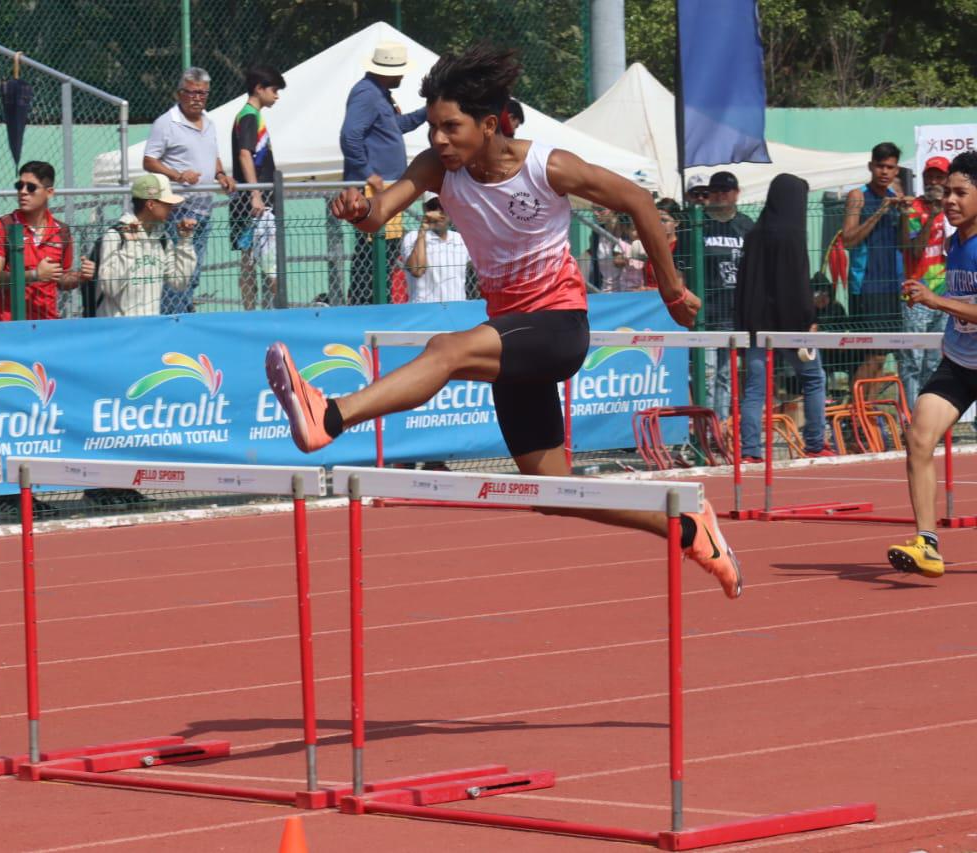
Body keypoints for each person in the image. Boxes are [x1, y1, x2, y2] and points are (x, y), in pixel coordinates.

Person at [265, 45, 741, 600]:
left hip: (558, 328)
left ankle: (331, 415)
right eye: (433, 128)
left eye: (451, 128)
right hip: (512, 336)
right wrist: (357, 209)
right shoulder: (437, 169)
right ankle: (686, 526)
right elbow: (379, 214)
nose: (439, 140)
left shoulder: (547, 167)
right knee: (553, 492)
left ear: (489, 125)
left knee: (445, 350)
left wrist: (671, 288)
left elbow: (636, 199)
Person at [888, 151, 977, 579]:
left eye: (961, 192)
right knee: (919, 437)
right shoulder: (954, 241)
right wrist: (926, 294)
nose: (950, 200)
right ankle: (927, 543)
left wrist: (936, 300)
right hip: (960, 361)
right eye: (947, 193)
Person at [734, 174, 832, 464]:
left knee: (755, 389)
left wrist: (744, 322)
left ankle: (750, 450)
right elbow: (797, 285)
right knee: (813, 379)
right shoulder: (793, 235)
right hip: (791, 325)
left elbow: (745, 283)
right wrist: (807, 318)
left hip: (757, 324)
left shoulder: (754, 234)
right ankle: (815, 443)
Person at [340, 42, 429, 305]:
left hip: (385, 187)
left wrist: (427, 112)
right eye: (399, 70)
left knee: (385, 250)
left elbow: (396, 126)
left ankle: (374, 301)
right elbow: (350, 135)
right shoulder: (367, 94)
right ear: (387, 71)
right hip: (374, 189)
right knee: (373, 250)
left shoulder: (379, 94)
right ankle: (364, 304)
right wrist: (368, 173)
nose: (402, 75)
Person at [142, 67, 235, 313]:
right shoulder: (166, 122)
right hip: (178, 210)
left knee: (193, 274)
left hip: (204, 209)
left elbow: (212, 155)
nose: (197, 98)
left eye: (202, 93)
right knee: (178, 274)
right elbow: (149, 160)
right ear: (179, 94)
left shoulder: (209, 122)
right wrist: (178, 176)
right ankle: (172, 319)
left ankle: (182, 314)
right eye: (192, 93)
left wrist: (221, 175)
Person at [0, 161, 93, 322]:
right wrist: (35, 275)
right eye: (19, 186)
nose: (23, 192)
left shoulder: (61, 231)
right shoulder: (2, 227)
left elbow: (62, 280)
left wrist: (80, 277)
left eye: (31, 187)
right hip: (10, 325)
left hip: (47, 324)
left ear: (49, 192)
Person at [95, 174, 198, 318]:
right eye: (167, 204)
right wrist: (130, 247)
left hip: (150, 325)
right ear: (150, 205)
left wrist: (185, 241)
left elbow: (179, 282)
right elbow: (110, 288)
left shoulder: (162, 238)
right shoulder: (115, 236)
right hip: (118, 326)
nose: (172, 208)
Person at [230, 65, 285, 310]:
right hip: (257, 205)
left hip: (252, 203)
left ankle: (250, 310)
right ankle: (280, 310)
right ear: (259, 88)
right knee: (269, 262)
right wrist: (256, 194)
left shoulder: (250, 115)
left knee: (250, 259)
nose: (277, 96)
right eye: (274, 90)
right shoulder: (249, 116)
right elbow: (245, 154)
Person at [701, 171, 754, 423]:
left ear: (736, 193)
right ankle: (706, 427)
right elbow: (683, 267)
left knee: (726, 375)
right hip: (707, 313)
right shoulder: (699, 224)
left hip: (735, 312)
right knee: (708, 374)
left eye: (726, 190)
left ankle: (721, 427)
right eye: (715, 190)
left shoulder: (746, 226)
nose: (720, 195)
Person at [898, 156, 951, 406]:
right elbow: (915, 251)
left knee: (935, 361)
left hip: (945, 295)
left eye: (939, 177)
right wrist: (932, 216)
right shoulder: (913, 209)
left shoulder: (953, 209)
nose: (933, 182)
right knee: (912, 360)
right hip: (916, 294)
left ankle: (929, 413)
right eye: (929, 176)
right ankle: (910, 416)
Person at [843, 142, 907, 333]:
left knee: (891, 346)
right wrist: (879, 212)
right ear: (871, 166)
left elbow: (903, 245)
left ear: (896, 170)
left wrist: (905, 214)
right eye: (880, 166)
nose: (884, 172)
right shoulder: (858, 196)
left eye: (890, 167)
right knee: (870, 348)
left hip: (893, 285)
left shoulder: (895, 197)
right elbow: (848, 241)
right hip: (866, 285)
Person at [399, 196, 471, 303]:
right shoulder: (412, 237)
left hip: (457, 309)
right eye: (433, 206)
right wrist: (422, 231)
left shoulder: (461, 239)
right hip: (424, 309)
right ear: (425, 209)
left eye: (443, 206)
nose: (438, 212)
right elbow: (417, 271)